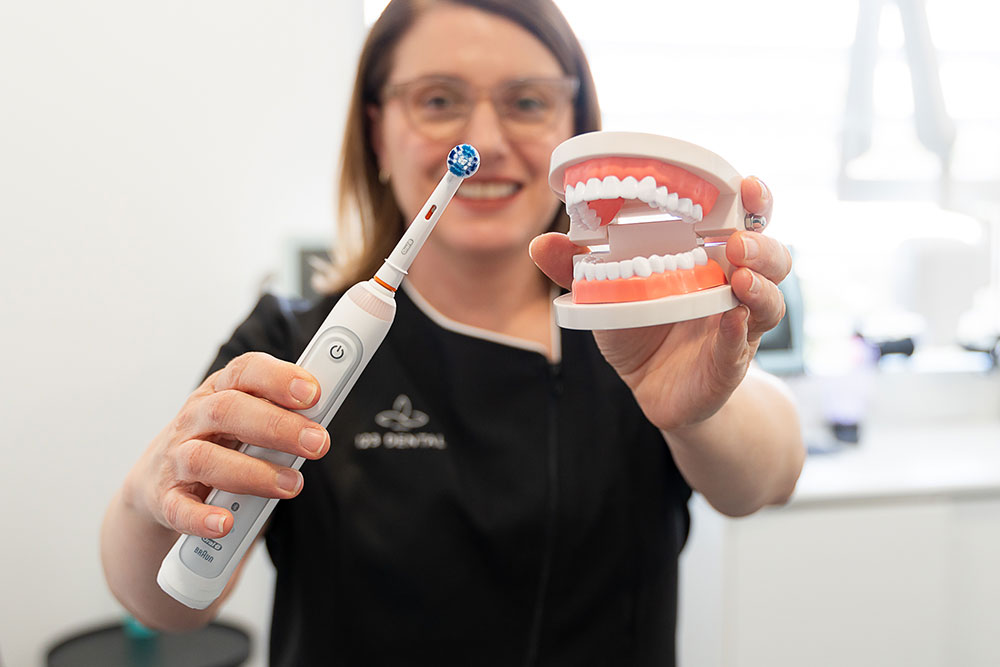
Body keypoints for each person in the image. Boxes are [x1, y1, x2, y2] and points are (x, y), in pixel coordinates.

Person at [101, 1, 804, 665]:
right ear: (377, 130)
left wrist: (702, 409)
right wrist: (149, 495)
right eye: (439, 100)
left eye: (528, 102)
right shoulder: (290, 345)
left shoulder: (639, 330)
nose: (488, 143)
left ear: (575, 133)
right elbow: (171, 603)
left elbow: (769, 475)